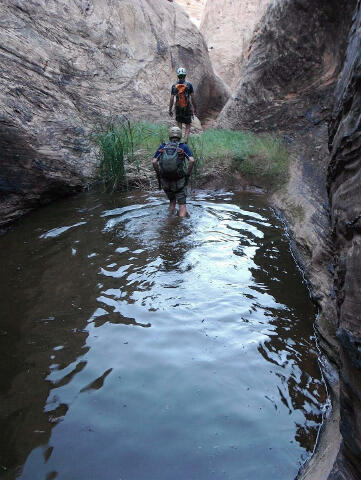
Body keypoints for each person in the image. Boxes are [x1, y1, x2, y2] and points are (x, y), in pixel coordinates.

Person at [152, 126, 195, 217]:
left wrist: (159, 174)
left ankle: (169, 222)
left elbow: (154, 161)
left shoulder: (163, 146)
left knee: (172, 202)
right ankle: (180, 224)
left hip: (165, 180)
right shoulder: (183, 146)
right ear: (180, 136)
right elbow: (191, 161)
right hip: (179, 180)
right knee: (182, 205)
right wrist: (187, 175)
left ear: (169, 136)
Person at [169, 67, 197, 144]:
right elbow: (193, 98)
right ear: (185, 75)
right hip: (187, 108)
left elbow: (171, 99)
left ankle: (179, 143)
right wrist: (195, 108)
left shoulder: (174, 86)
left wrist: (170, 110)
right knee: (188, 126)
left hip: (178, 108)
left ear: (178, 76)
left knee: (179, 126)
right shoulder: (189, 85)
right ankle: (185, 142)